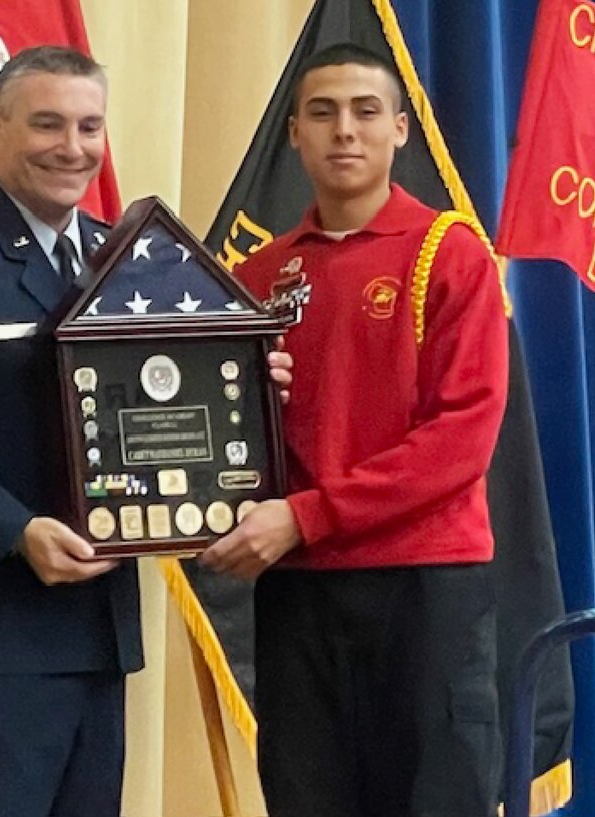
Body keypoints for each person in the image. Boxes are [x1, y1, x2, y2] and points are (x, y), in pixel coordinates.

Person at [0, 45, 291, 817]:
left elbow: (169, 399)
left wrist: (247, 392)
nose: (73, 147)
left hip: (97, 638)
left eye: (90, 126)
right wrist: (16, 529)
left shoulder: (120, 258)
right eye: (48, 123)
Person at [199, 43, 509, 817]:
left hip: (422, 585)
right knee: (307, 799)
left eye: (366, 112)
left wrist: (304, 515)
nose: (346, 131)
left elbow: (460, 439)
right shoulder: (260, 277)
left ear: (401, 129)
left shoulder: (452, 254)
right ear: (294, 133)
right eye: (324, 113)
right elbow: (221, 434)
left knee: (434, 798)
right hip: (300, 590)